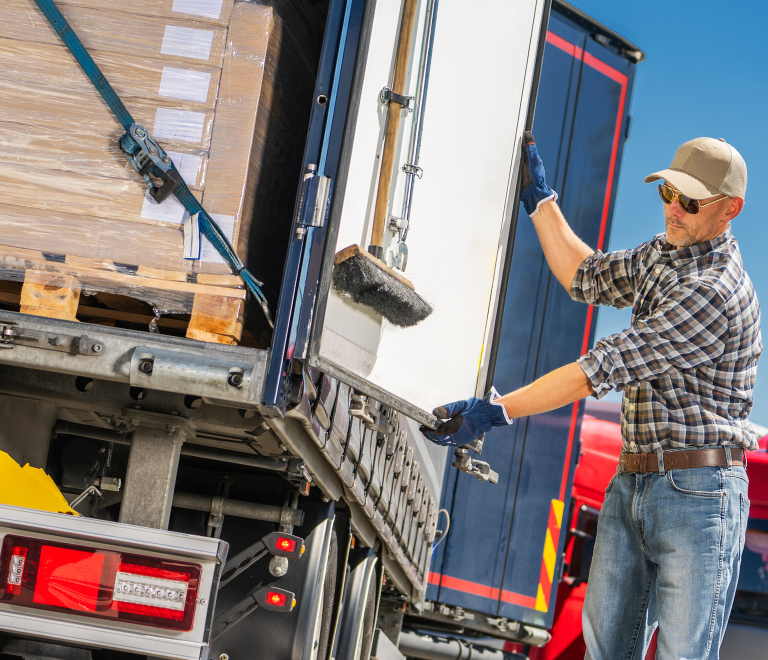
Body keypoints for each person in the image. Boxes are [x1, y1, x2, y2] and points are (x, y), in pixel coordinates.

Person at [421, 133, 762, 660]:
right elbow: (585, 275)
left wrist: (497, 410)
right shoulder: (664, 253)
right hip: (634, 479)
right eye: (668, 193)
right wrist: (541, 202)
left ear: (730, 209)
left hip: (700, 496)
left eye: (690, 203)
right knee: (604, 650)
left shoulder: (714, 291)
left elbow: (599, 369)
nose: (674, 210)